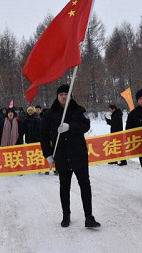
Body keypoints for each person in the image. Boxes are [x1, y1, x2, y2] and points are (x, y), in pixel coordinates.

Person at [40, 84, 100, 228]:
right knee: (64, 187)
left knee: (85, 185)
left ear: (70, 95)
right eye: (61, 94)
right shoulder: (49, 114)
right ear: (57, 96)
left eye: (67, 94)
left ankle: (89, 217)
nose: (64, 96)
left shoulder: (79, 111)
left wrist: (70, 127)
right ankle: (66, 215)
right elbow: (43, 135)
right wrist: (48, 154)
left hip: (78, 154)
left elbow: (86, 125)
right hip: (61, 155)